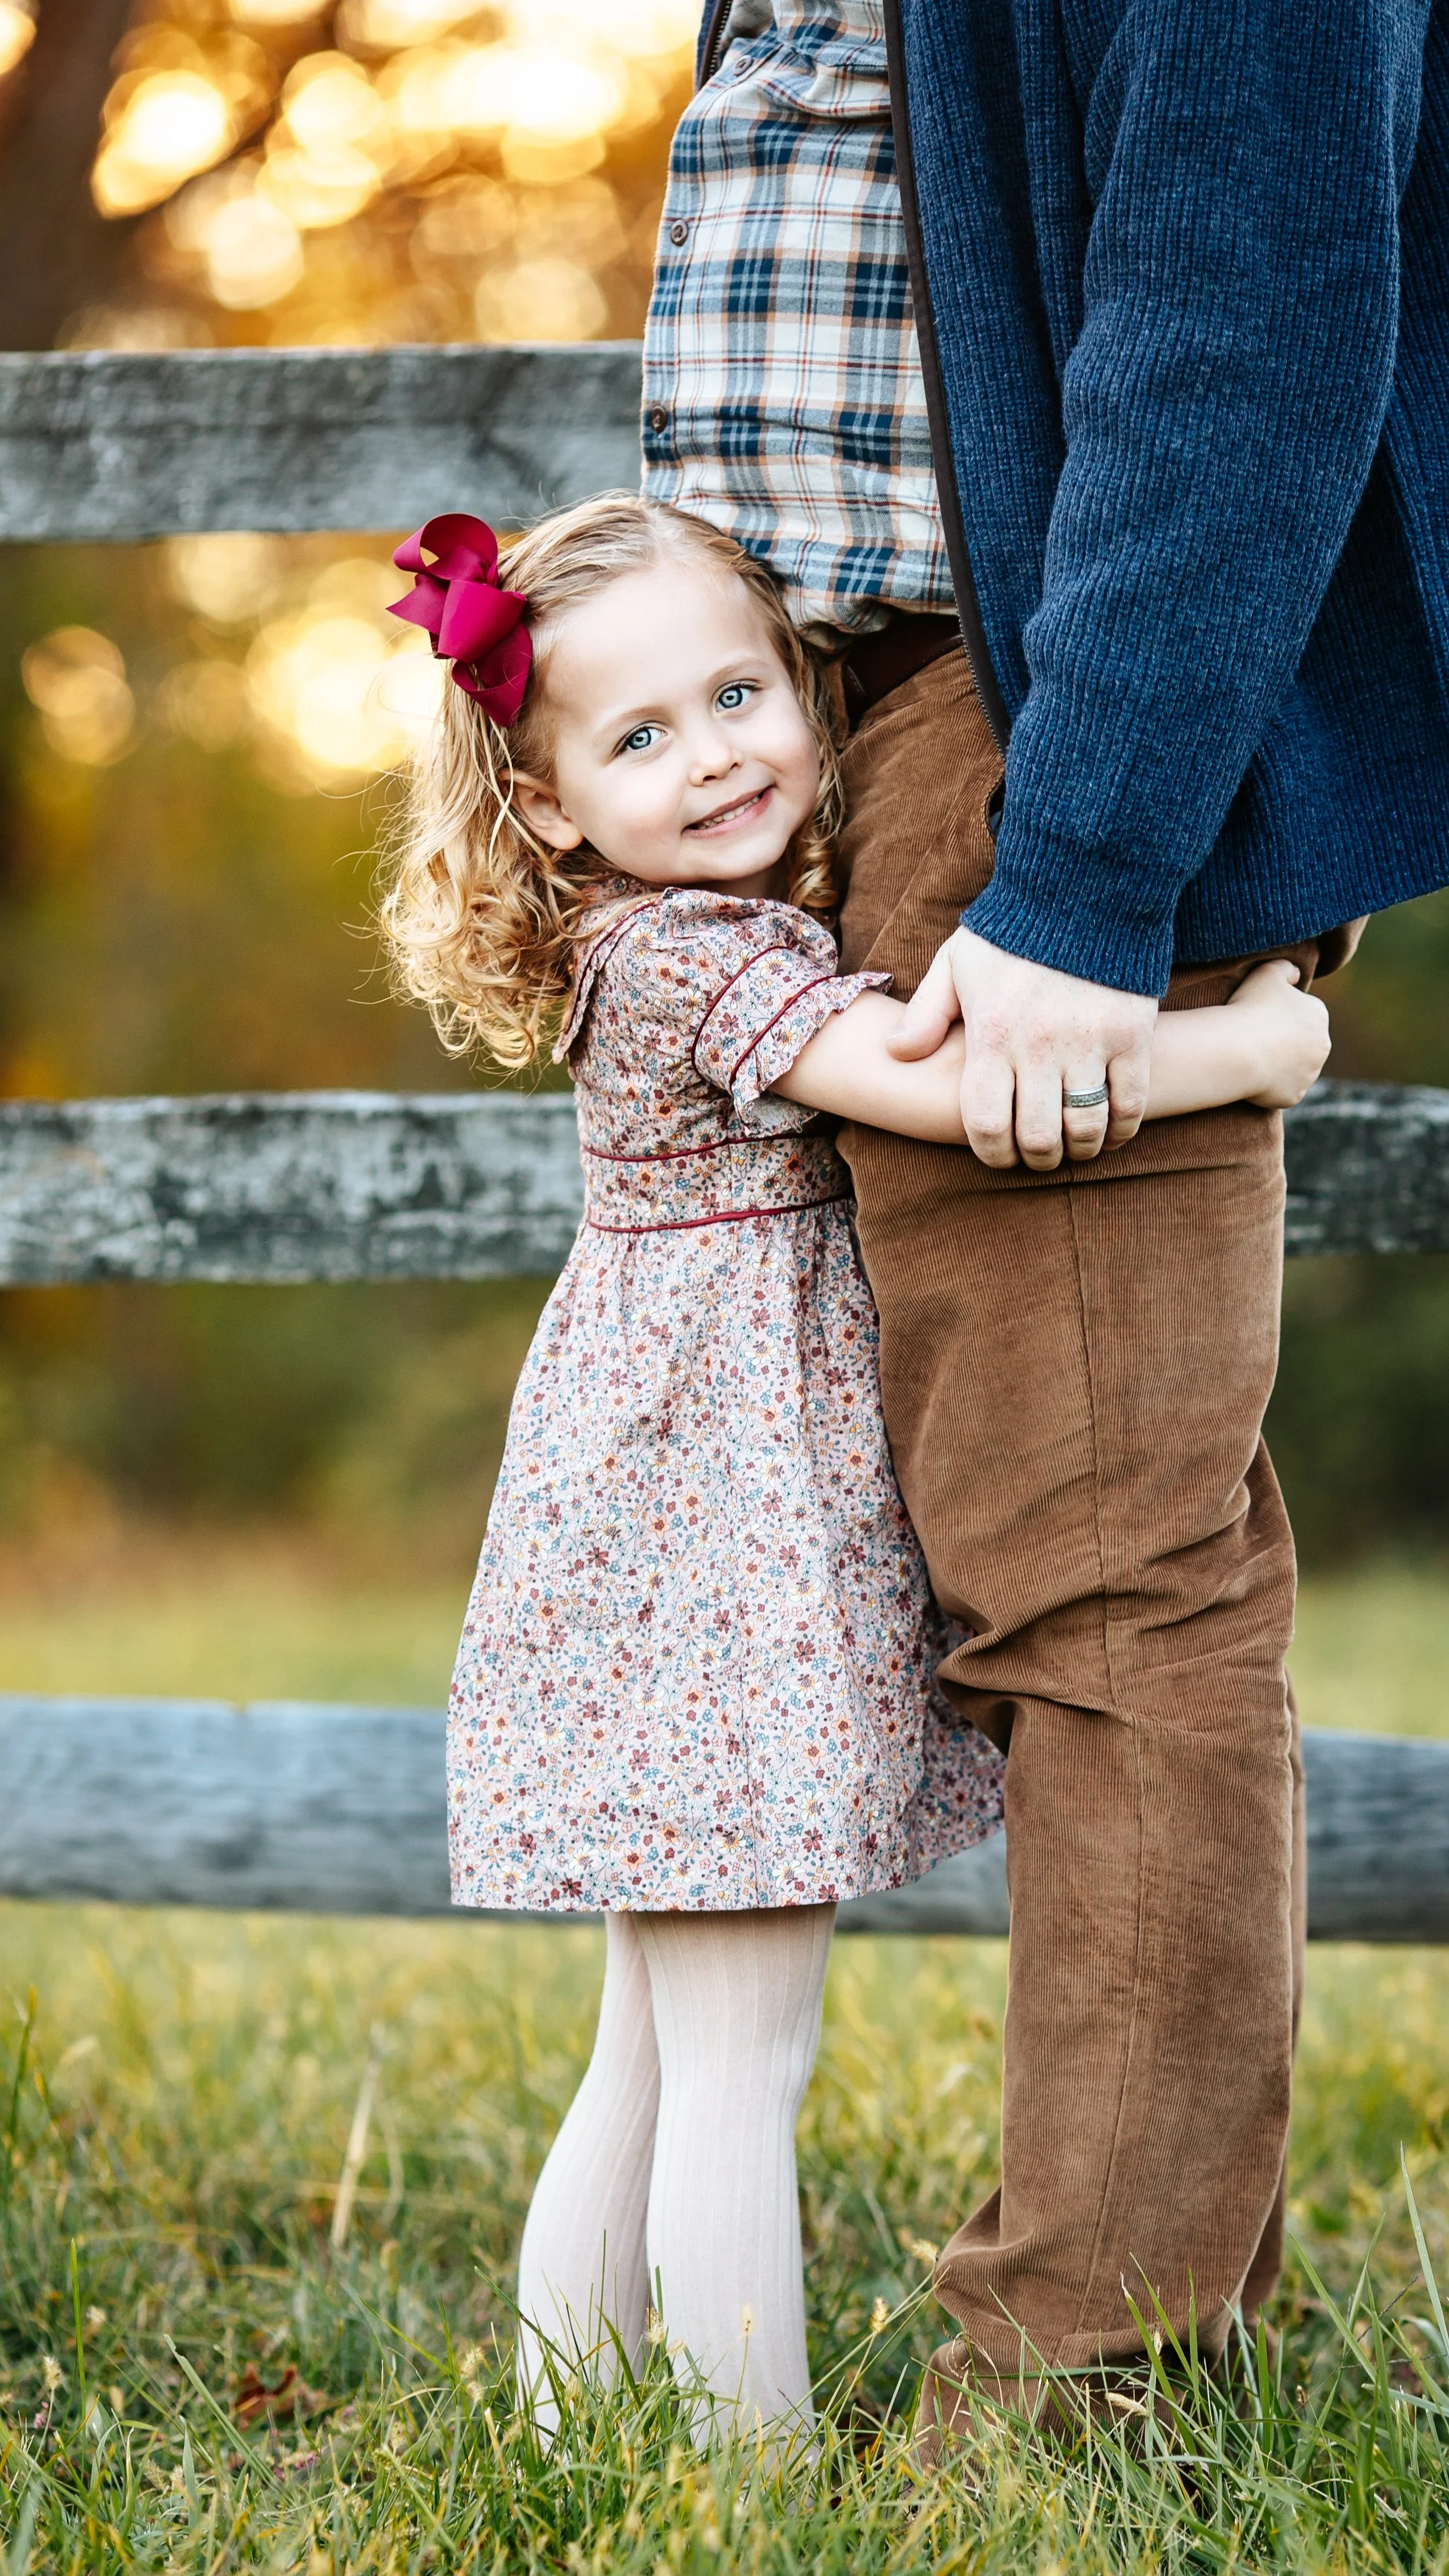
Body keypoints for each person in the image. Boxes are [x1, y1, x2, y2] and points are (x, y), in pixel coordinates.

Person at [642, 0, 1449, 2452]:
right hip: (826, 715)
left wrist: (1093, 853)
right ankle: (1159, 2299)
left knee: (1103, 1556)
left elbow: (1243, 287)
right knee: (1037, 1532)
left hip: (1021, 727)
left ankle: (1081, 2393)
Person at [377, 493, 1333, 2441]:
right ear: (549, 805)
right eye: (638, 737)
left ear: (805, 684)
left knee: (650, 2047)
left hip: (674, 1551)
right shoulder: (692, 960)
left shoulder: (678, 932)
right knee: (737, 2058)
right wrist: (1240, 1054)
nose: (712, 751)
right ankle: (749, 2487)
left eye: (737, 692)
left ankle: (579, 2443)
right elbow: (945, 1081)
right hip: (712, 1563)